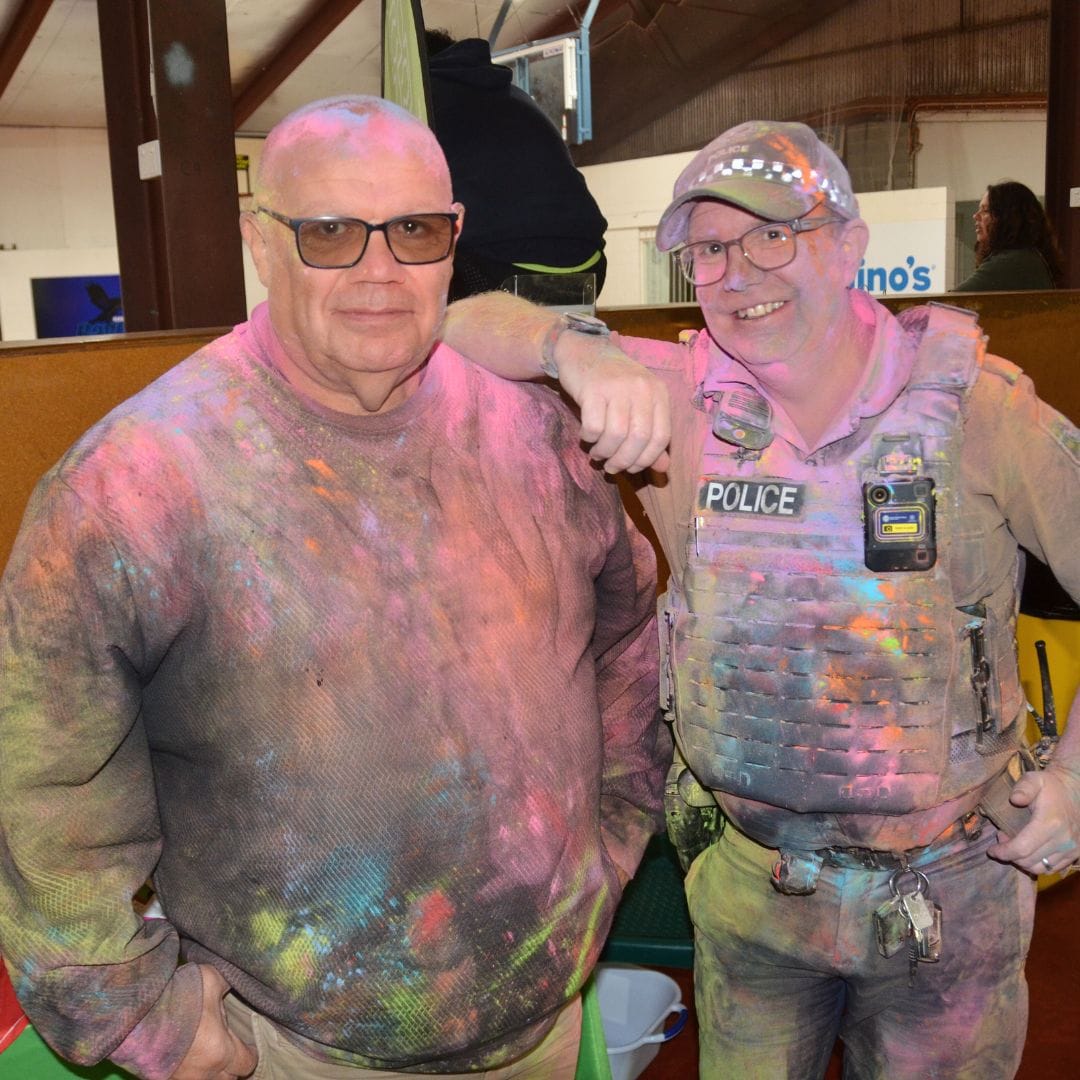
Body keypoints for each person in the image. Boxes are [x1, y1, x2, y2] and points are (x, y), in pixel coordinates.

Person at [0, 95, 669, 1080]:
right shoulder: (134, 485)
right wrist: (139, 1019)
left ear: (454, 240)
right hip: (288, 1048)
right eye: (329, 233)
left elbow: (626, 646)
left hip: (544, 1022)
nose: (378, 270)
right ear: (259, 242)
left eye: (414, 230)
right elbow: (49, 793)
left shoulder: (541, 440)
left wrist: (608, 849)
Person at [442, 120, 1080, 1078]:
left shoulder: (978, 410)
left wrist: (1076, 778)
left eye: (772, 236)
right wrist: (574, 351)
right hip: (753, 884)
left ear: (851, 245)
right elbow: (453, 328)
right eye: (709, 250)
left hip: (951, 890)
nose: (738, 274)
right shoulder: (680, 399)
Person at [425, 29, 608, 301]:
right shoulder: (513, 94)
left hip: (498, 273)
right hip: (588, 266)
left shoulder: (425, 102)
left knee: (406, 245)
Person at [955, 180, 1064, 291]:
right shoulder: (1027, 256)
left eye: (985, 210)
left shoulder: (1012, 261)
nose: (976, 216)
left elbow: (952, 299)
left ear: (1009, 219)